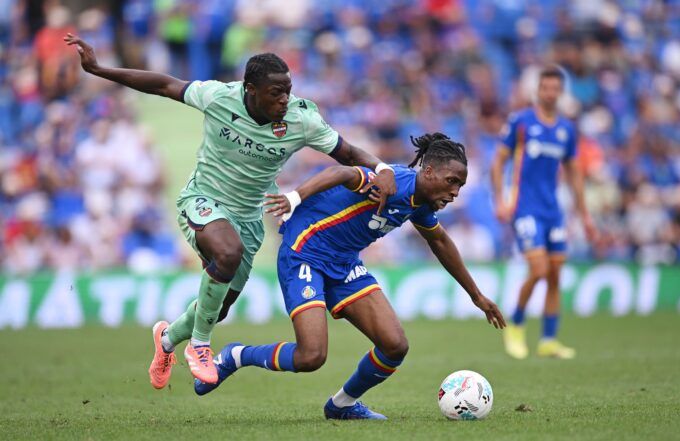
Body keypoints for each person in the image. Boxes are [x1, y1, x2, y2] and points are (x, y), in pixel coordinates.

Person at [64, 34, 397, 388]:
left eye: (288, 91)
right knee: (227, 253)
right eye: (276, 93)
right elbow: (163, 84)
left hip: (249, 215)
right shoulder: (219, 97)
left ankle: (167, 339)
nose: (284, 99)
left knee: (218, 307)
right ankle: (200, 346)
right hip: (203, 198)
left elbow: (348, 153)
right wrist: (99, 70)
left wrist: (383, 169)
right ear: (250, 89)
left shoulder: (302, 120)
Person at [195, 133, 506, 420]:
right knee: (311, 356)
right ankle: (236, 355)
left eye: (460, 186)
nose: (455, 192)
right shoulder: (395, 182)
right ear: (429, 172)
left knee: (395, 345)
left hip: (344, 264)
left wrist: (476, 295)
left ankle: (342, 405)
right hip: (305, 253)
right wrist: (295, 197)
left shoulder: (420, 205)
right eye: (452, 181)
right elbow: (343, 173)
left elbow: (440, 242)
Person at [491, 67, 596, 360]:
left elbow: (574, 173)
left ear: (560, 92)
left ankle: (548, 340)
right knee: (538, 270)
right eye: (545, 88)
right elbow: (498, 162)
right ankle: (516, 325)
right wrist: (500, 200)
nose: (550, 93)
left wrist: (585, 215)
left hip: (553, 211)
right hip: (525, 208)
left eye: (554, 89)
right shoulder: (521, 121)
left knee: (555, 275)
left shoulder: (566, 130)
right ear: (538, 90)